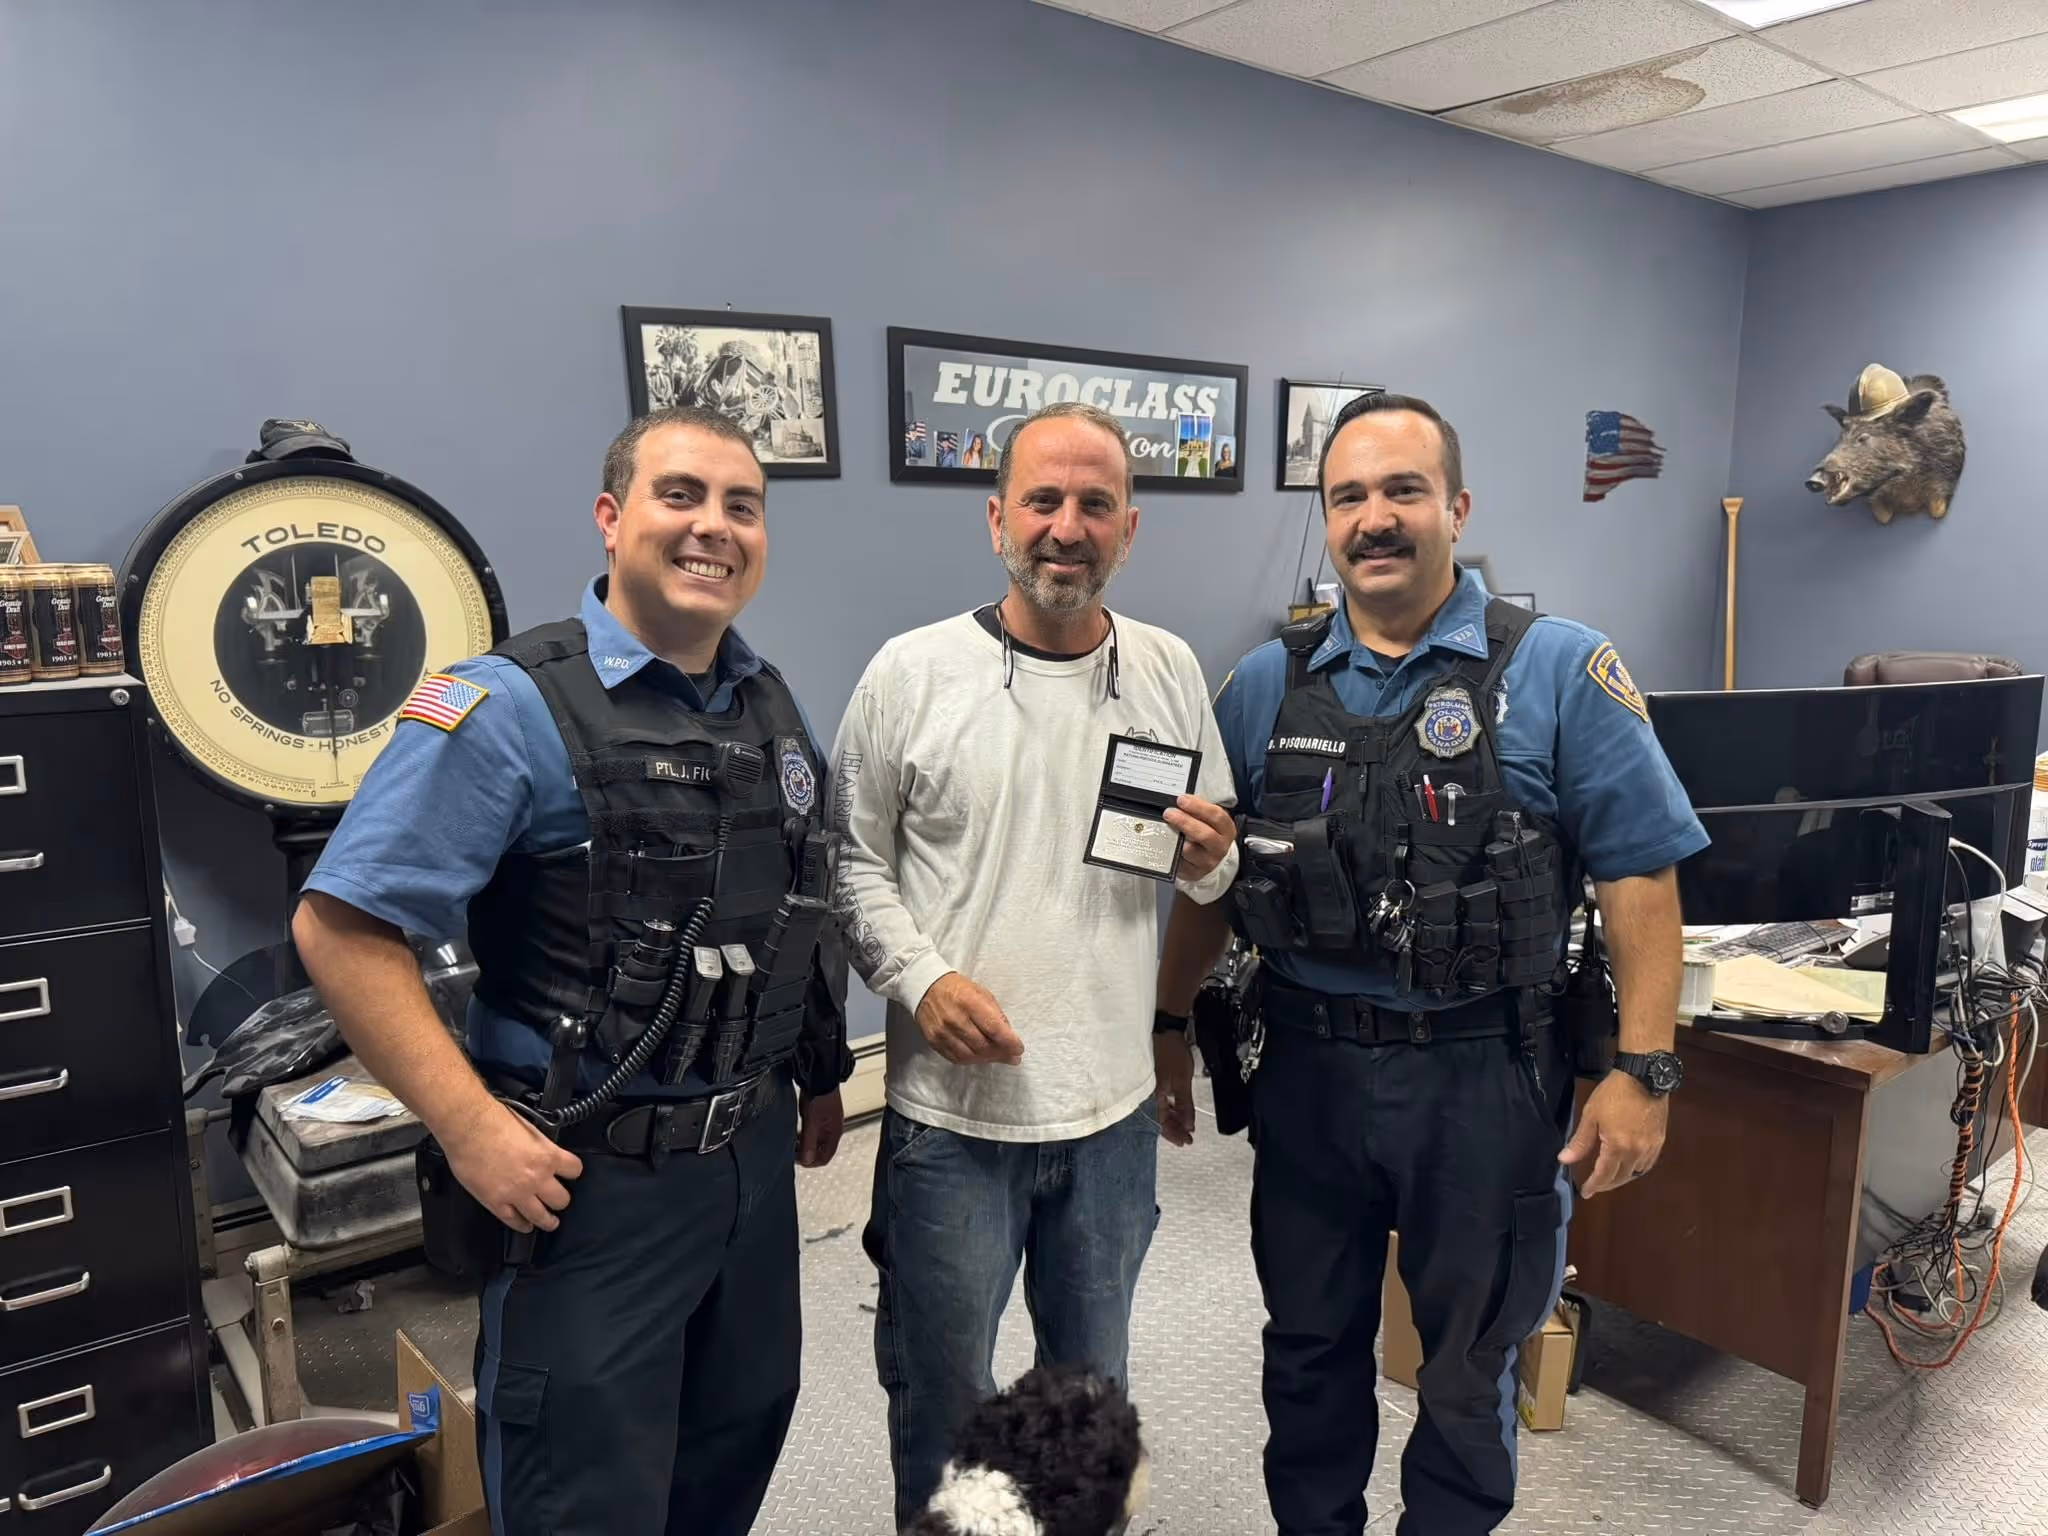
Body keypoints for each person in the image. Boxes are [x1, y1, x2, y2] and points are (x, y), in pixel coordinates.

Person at [292, 405, 852, 1536]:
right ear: (610, 517)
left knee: (732, 1446)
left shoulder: (767, 699)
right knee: (585, 1493)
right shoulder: (504, 708)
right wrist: (468, 1128)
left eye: (741, 506)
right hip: (587, 1182)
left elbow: (788, 899)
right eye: (679, 495)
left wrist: (819, 1066)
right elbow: (342, 930)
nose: (713, 527)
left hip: (748, 1169)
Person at [1154, 391, 1707, 1536]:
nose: (1375, 518)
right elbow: (1207, 872)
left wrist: (1643, 1071)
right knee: (1306, 1352)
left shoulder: (1558, 669)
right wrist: (1167, 1024)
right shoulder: (1261, 685)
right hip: (1306, 1072)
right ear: (1325, 520)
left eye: (1402, 490)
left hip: (1483, 1078)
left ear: (1455, 508)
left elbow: (1639, 877)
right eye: (1347, 496)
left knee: (1464, 1369)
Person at [829, 400, 1239, 1528]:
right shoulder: (909, 673)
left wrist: (1214, 865)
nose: (1067, 527)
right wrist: (920, 979)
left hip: (1109, 1124)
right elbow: (849, 866)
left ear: (1128, 529)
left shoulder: (1167, 669)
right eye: (1043, 501)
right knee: (942, 1409)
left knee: (1090, 1409)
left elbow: (1210, 873)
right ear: (996, 517)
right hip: (950, 1128)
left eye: (1094, 504)